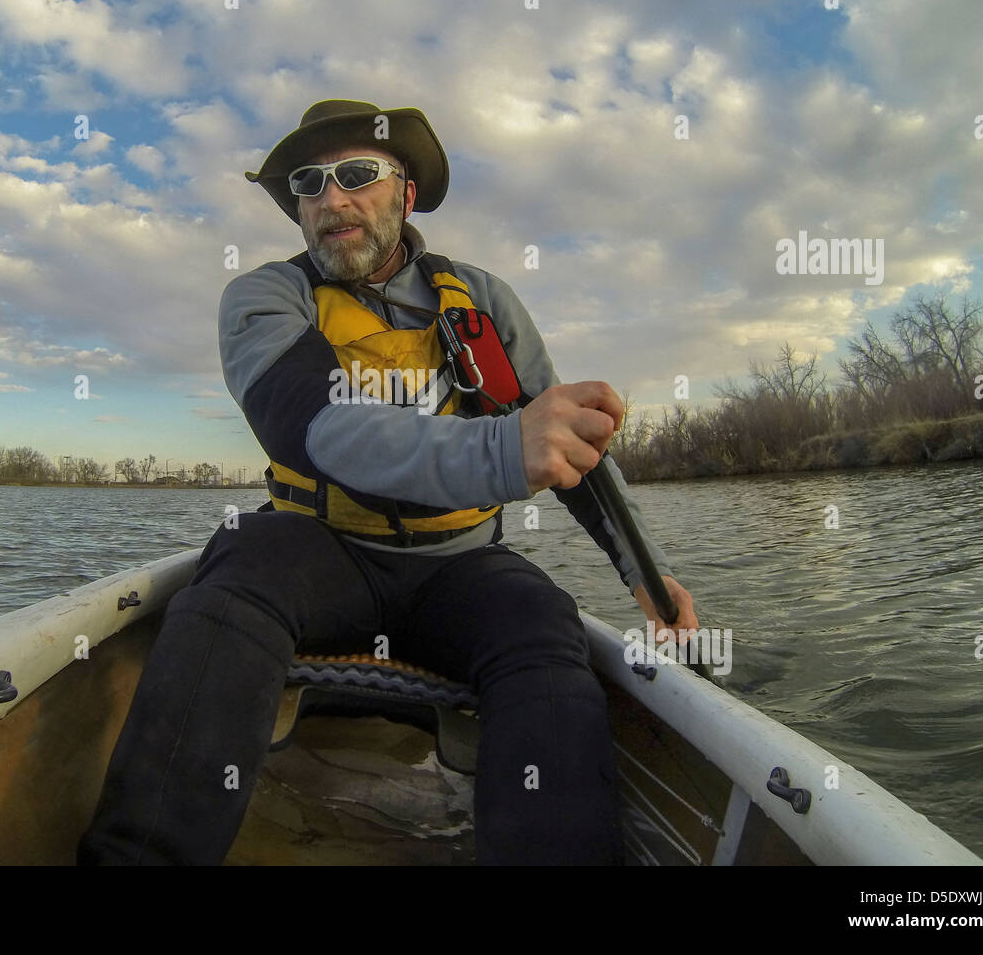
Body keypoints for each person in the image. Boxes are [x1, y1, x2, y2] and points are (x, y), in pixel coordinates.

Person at [78, 99, 698, 866]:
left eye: (357, 174)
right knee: (239, 560)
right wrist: (505, 448)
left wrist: (646, 571)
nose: (331, 198)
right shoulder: (265, 298)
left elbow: (570, 446)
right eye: (309, 183)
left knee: (542, 620)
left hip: (459, 566)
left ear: (405, 193)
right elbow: (314, 423)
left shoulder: (484, 300)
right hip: (321, 552)